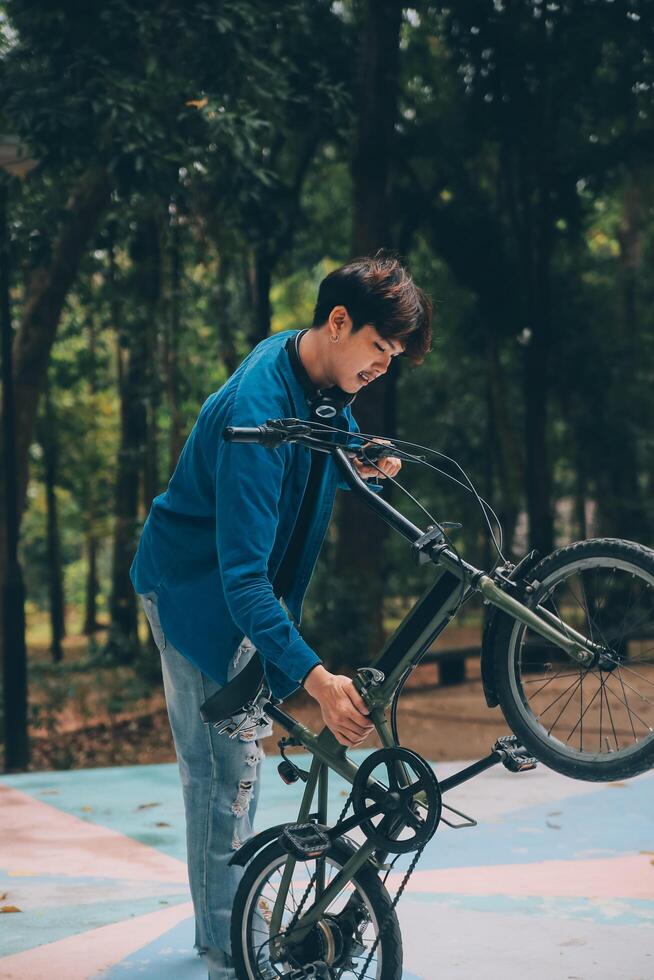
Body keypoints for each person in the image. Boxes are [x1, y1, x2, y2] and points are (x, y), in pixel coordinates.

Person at [129, 253, 432, 978]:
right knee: (220, 776)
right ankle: (225, 948)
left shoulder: (312, 368)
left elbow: (325, 430)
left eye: (393, 358)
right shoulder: (256, 414)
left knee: (238, 773)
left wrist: (357, 453)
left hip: (233, 592)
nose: (383, 368)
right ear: (337, 323)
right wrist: (319, 682)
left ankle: (226, 912)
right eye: (378, 350)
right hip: (193, 596)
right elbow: (242, 582)